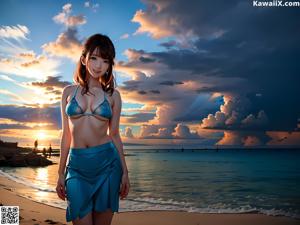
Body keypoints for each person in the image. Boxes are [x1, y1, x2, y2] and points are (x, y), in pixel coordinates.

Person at [56, 33, 130, 225]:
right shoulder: (68, 92)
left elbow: (114, 134)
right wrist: (60, 173)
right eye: (94, 58)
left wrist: (125, 172)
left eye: (105, 61)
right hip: (77, 168)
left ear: (109, 65)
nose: (99, 66)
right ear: (84, 59)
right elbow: (66, 136)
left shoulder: (114, 96)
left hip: (108, 165)